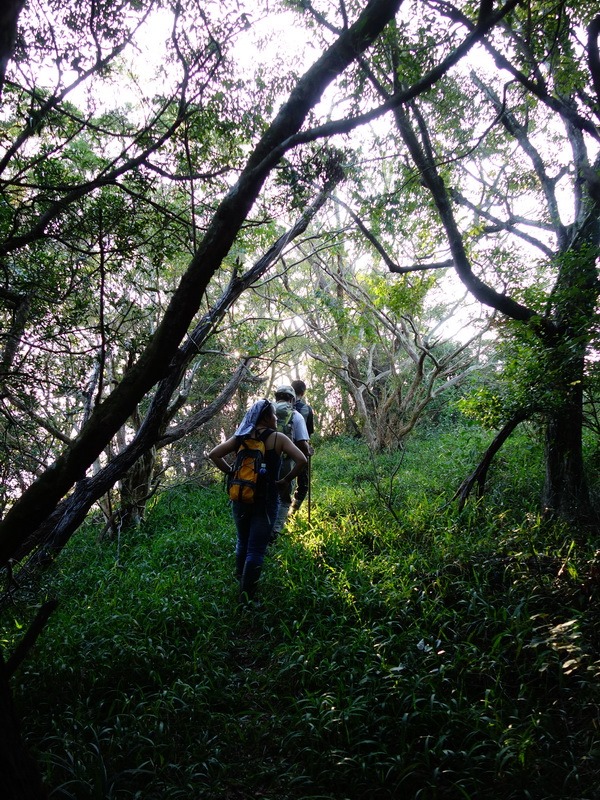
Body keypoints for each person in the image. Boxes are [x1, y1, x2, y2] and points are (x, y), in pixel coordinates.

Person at [208, 398, 307, 604]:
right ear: (265, 417)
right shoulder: (278, 438)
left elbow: (214, 454)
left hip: (241, 496)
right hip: (266, 499)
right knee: (256, 549)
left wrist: (231, 472)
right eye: (272, 414)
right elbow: (302, 460)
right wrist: (285, 480)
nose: (275, 418)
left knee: (242, 541)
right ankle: (247, 597)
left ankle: (239, 579)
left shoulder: (241, 437)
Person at [270, 384, 312, 540]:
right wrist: (308, 450)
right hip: (285, 463)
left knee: (265, 495)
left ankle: (261, 528)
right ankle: (275, 532)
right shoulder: (296, 415)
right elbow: (302, 444)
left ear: (276, 397)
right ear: (292, 399)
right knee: (284, 498)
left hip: (260, 462)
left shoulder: (263, 412)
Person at [290, 379, 315, 513]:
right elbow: (308, 433)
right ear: (303, 393)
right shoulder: (307, 409)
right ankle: (292, 512)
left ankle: (279, 510)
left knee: (282, 480)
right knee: (303, 484)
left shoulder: (278, 408)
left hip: (280, 448)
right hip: (301, 449)